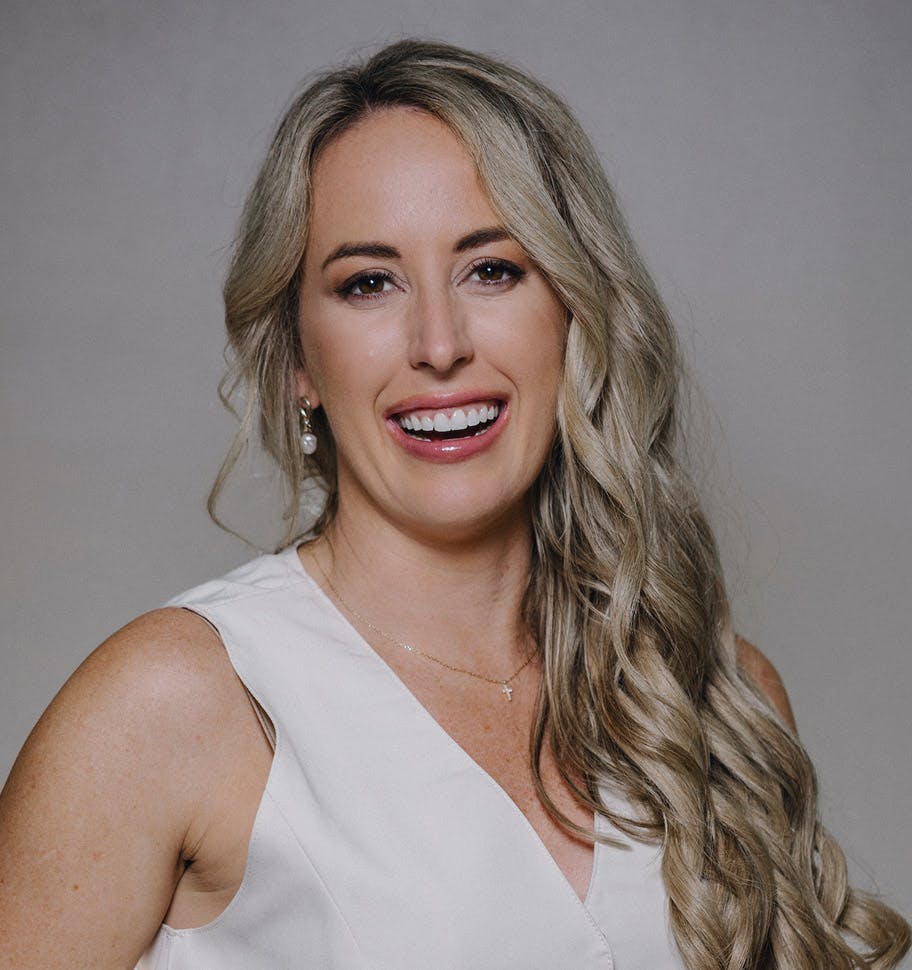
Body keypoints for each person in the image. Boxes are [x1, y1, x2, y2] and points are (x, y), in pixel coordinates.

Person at [0, 39, 907, 970]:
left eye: (492, 270)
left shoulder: (715, 699)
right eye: (368, 283)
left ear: (575, 311)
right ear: (300, 360)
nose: (439, 345)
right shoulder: (172, 703)